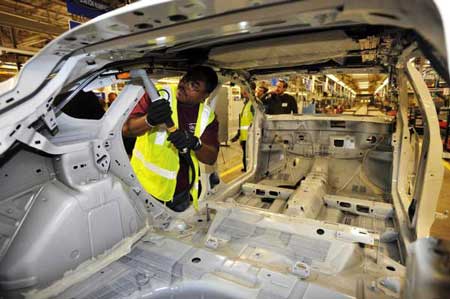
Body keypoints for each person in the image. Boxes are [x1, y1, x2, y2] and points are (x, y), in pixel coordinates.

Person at [122, 66, 219, 212]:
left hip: (180, 194)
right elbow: (127, 129)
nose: (184, 85)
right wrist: (149, 120)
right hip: (145, 188)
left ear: (205, 96)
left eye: (194, 85)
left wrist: (195, 143)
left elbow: (211, 157)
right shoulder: (157, 95)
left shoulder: (208, 116)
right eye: (185, 79)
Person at [231, 88, 254, 171]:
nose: (243, 94)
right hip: (245, 136)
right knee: (246, 154)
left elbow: (255, 121)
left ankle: (248, 169)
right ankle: (246, 168)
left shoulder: (252, 105)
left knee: (249, 155)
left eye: (245, 92)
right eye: (242, 92)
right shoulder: (246, 104)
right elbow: (243, 123)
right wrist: (239, 136)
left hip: (250, 136)